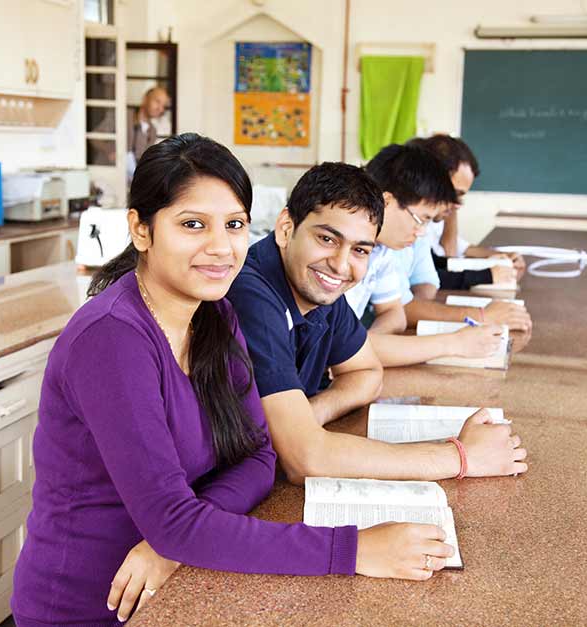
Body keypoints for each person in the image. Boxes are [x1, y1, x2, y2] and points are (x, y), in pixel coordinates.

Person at [11, 134, 457, 627]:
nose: (220, 248)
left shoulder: (215, 315)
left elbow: (260, 456)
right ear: (140, 229)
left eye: (235, 225)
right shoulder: (112, 339)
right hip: (93, 603)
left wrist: (176, 538)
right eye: (193, 225)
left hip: (179, 585)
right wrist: (355, 550)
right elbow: (177, 521)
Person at [225, 161, 528, 486]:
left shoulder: (322, 289)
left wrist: (311, 413)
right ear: (286, 228)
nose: (341, 264)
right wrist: (461, 457)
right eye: (327, 239)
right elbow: (304, 459)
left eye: (359, 250)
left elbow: (367, 373)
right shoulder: (252, 293)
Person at [346, 143, 505, 367]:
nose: (422, 232)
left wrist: (368, 343)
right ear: (387, 202)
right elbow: (341, 350)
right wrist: (454, 343)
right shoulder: (341, 253)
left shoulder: (381, 250)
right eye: (421, 219)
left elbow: (395, 314)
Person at [406, 134, 526, 289]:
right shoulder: (411, 220)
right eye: (454, 193)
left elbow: (443, 258)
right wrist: (487, 275)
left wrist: (495, 258)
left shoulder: (429, 219)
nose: (458, 203)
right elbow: (444, 260)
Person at [126, 86, 170, 180]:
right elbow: (95, 137)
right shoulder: (124, 115)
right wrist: (109, 150)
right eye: (157, 102)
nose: (161, 109)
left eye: (163, 106)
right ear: (145, 99)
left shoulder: (152, 131)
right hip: (110, 173)